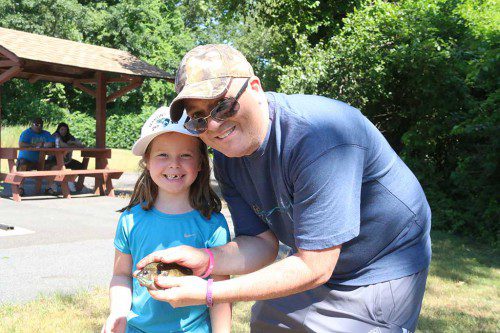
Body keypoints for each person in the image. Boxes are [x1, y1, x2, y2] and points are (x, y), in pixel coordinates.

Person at [136, 44, 432, 333]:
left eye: (223, 105)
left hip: (380, 262)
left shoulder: (319, 136)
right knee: (267, 322)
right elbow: (261, 243)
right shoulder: (227, 157)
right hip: (310, 258)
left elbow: (315, 267)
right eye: (198, 118)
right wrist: (207, 259)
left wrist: (209, 293)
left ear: (254, 87)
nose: (213, 125)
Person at [101, 106, 232, 333]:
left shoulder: (213, 225)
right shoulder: (130, 220)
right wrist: (118, 312)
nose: (174, 164)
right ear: (147, 161)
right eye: (163, 155)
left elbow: (219, 293)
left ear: (200, 163)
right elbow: (122, 275)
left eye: (185, 155)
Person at [17, 117, 55, 196]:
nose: (39, 127)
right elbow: (21, 144)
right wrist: (34, 145)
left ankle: (49, 188)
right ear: (32, 125)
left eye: (41, 125)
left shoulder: (46, 133)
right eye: (36, 124)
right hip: (26, 160)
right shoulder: (26, 133)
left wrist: (46, 144)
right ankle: (20, 188)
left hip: (40, 161)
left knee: (55, 165)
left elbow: (52, 143)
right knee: (22, 163)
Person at [45, 122, 85, 195]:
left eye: (65, 130)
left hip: (67, 160)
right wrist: (71, 145)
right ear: (58, 129)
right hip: (54, 159)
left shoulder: (69, 136)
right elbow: (60, 144)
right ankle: (54, 184)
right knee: (55, 167)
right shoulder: (55, 135)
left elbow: (81, 144)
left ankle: (70, 180)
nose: (64, 131)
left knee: (81, 166)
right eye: (62, 129)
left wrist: (73, 143)